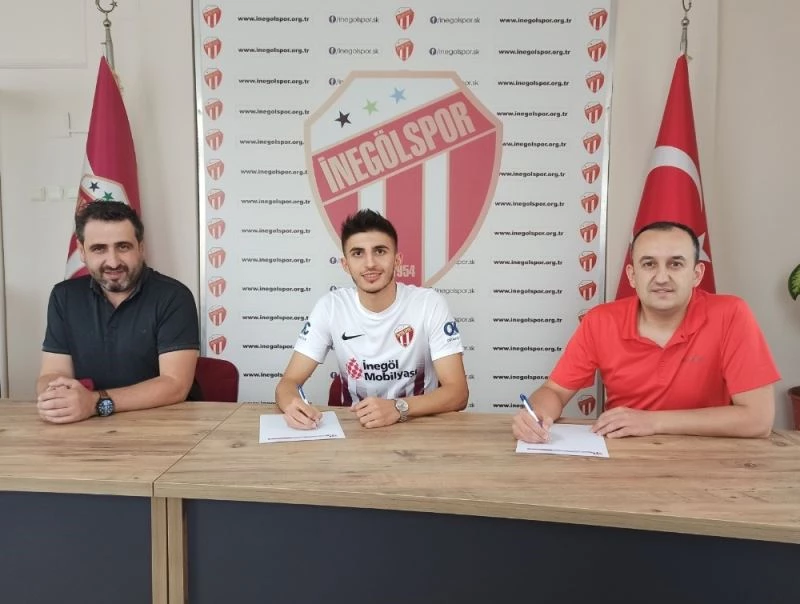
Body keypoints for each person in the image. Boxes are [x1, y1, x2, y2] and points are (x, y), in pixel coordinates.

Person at [513, 221, 779, 442]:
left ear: (697, 274)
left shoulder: (731, 313)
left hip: (712, 458)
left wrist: (653, 421)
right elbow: (554, 392)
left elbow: (758, 420)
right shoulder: (600, 320)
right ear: (632, 275)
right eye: (649, 264)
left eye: (675, 264)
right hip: (624, 455)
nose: (662, 277)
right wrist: (536, 416)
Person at [276, 209, 468, 429]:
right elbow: (288, 383)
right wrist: (292, 404)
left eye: (380, 251)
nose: (370, 263)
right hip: (356, 430)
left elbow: (458, 393)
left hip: (418, 426)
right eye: (358, 253)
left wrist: (397, 408)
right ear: (346, 265)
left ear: (397, 260)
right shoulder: (331, 306)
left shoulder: (429, 303)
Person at [36, 201, 200, 424]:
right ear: (82, 251)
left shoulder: (174, 296)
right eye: (99, 248)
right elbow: (52, 373)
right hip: (87, 426)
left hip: (166, 424)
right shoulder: (63, 296)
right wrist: (57, 397)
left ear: (141, 248)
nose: (113, 262)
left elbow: (175, 385)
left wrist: (95, 403)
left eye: (123, 247)